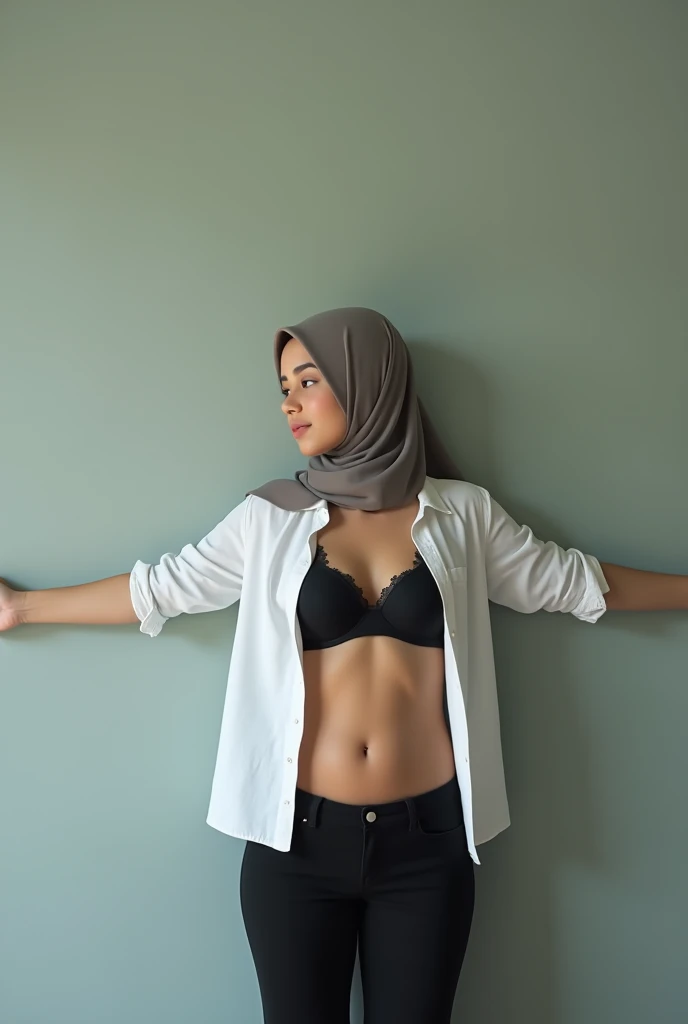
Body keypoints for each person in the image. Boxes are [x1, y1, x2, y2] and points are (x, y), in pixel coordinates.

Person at [2, 306, 686, 1024]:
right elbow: (160, 589)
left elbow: (577, 584)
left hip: (429, 846)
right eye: (283, 384)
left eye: (308, 379)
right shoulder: (269, 518)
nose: (288, 401)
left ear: (369, 384)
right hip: (293, 845)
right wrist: (21, 607)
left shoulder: (463, 515)